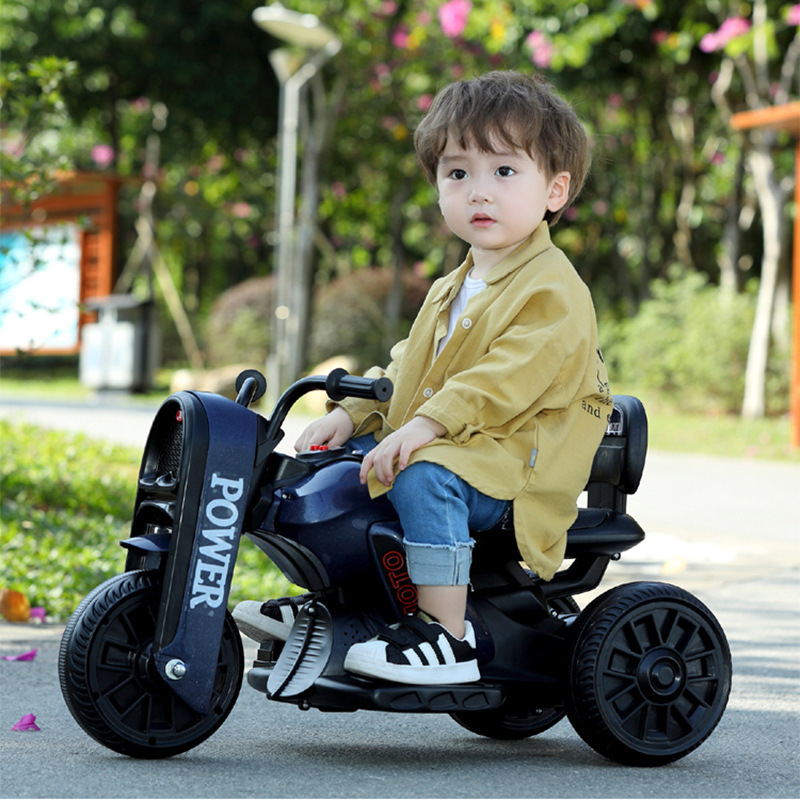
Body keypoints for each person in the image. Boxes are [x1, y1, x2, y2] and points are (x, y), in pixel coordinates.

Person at [234, 70, 611, 685]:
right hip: (469, 447)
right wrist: (353, 413)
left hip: (515, 470)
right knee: (336, 474)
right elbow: (407, 366)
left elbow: (508, 376)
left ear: (555, 190)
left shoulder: (555, 289)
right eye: (458, 173)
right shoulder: (451, 287)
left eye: (504, 172)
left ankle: (446, 635)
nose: (478, 193)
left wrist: (428, 426)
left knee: (421, 474)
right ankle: (342, 610)